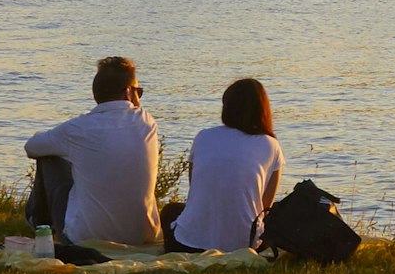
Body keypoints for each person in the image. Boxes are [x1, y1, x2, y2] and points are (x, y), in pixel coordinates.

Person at [23, 55, 162, 261]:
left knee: (50, 158)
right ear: (128, 92)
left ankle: (40, 225)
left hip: (86, 238)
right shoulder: (147, 121)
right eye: (138, 92)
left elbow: (31, 148)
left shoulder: (77, 129)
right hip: (142, 235)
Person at [168, 77, 285, 255]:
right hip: (245, 245)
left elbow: (196, 188)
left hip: (188, 244)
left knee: (171, 210)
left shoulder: (204, 137)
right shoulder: (270, 145)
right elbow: (264, 208)